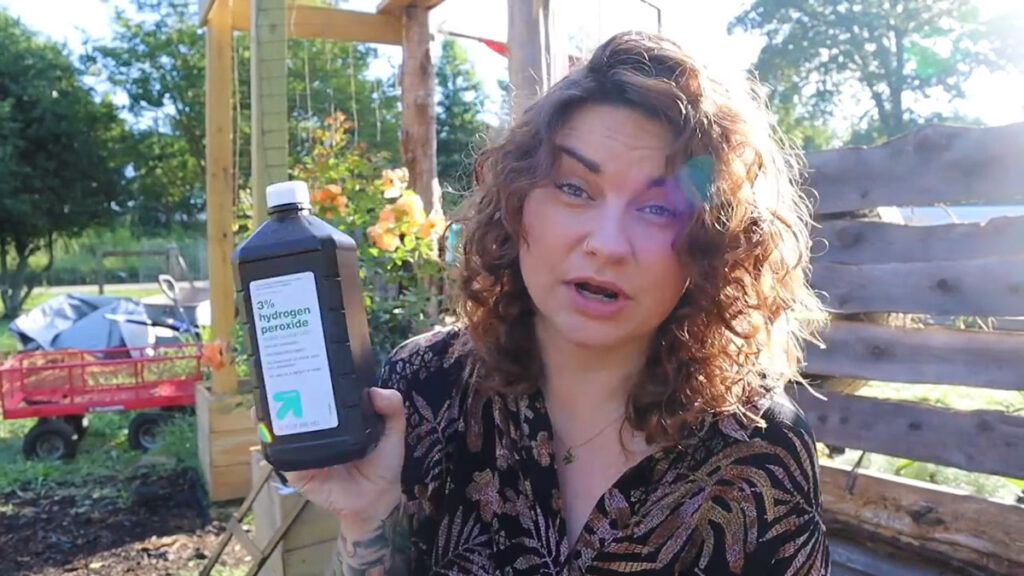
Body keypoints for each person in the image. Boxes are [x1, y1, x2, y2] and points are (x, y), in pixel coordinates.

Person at [287, 31, 831, 575]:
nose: (607, 243)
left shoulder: (757, 452)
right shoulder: (425, 391)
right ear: (518, 202)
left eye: (659, 209)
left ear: (711, 246)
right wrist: (365, 521)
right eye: (575, 188)